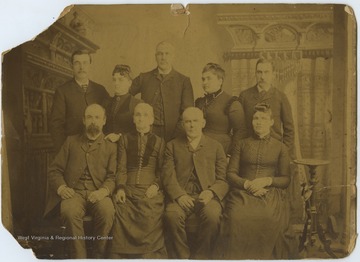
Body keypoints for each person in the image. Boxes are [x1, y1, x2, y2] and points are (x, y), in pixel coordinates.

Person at [215, 103, 291, 259]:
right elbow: (231, 174)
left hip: (269, 193)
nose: (259, 122)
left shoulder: (280, 147)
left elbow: (285, 180)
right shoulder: (241, 144)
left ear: (271, 122)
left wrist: (267, 180)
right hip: (242, 192)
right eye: (256, 118)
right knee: (236, 217)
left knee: (268, 216)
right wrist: (247, 184)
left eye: (263, 118)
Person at [44, 104, 116, 259]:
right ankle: (79, 257)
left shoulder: (111, 146)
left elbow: (112, 176)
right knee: (69, 212)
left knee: (108, 211)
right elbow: (54, 170)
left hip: (98, 192)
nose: (93, 121)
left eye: (97, 117)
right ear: (83, 120)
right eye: (89, 117)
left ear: (104, 121)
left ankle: (99, 255)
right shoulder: (71, 142)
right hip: (74, 193)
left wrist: (103, 192)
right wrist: (62, 188)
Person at [162, 107, 228, 259]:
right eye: (188, 122)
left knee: (212, 216)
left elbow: (223, 179)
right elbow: (168, 176)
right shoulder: (172, 146)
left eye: (195, 121)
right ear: (183, 125)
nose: (191, 125)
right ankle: (183, 257)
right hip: (182, 196)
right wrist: (179, 196)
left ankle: (201, 257)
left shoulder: (216, 146)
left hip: (206, 196)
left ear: (203, 123)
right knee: (171, 216)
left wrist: (211, 192)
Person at [109, 103, 167, 259]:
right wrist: (120, 188)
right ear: (133, 119)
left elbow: (163, 171)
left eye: (145, 115)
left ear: (152, 119)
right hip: (128, 189)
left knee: (151, 210)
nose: (141, 118)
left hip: (150, 190)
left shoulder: (160, 142)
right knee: (120, 208)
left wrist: (156, 185)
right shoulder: (125, 140)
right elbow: (121, 168)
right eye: (138, 115)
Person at [129, 41, 194, 142]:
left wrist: (176, 135)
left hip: (173, 134)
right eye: (160, 54)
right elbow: (125, 94)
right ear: (155, 56)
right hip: (147, 132)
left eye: (167, 54)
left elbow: (187, 112)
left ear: (173, 56)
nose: (163, 57)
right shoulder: (144, 77)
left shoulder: (183, 81)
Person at [50, 49, 110, 152]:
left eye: (85, 63)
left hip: (98, 150)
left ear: (90, 65)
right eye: (77, 63)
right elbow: (56, 126)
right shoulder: (62, 91)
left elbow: (109, 119)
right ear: (71, 66)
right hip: (73, 150)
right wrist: (64, 152)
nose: (81, 67)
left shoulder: (101, 90)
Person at [238, 58, 294, 149]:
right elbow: (239, 127)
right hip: (249, 148)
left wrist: (285, 151)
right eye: (259, 72)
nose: (262, 76)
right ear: (255, 74)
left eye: (266, 72)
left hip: (273, 148)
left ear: (273, 75)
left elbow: (289, 129)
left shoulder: (281, 97)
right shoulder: (244, 96)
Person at [195, 63, 247, 154]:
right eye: (203, 79)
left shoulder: (232, 102)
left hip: (222, 149)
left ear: (220, 81)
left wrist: (231, 155)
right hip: (200, 149)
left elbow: (240, 132)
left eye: (209, 78)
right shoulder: (200, 102)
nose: (205, 82)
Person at [103, 64, 142, 142]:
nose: (116, 83)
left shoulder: (137, 104)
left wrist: (120, 137)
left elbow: (141, 130)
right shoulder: (106, 102)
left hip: (128, 147)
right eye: (114, 80)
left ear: (129, 83)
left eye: (120, 80)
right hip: (108, 146)